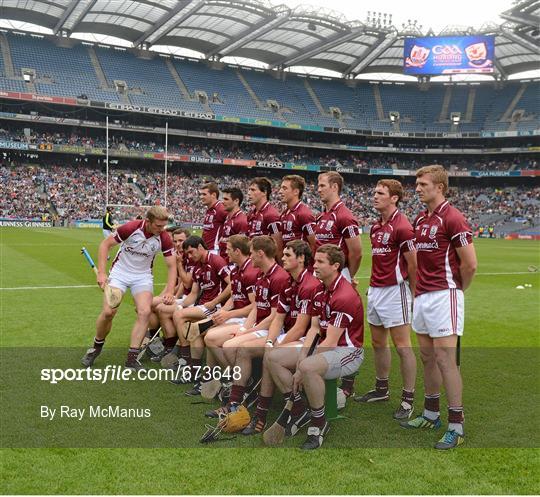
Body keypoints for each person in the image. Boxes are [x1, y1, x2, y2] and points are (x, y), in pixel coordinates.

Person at [401, 165, 477, 451]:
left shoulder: (454, 218)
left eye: (423, 184)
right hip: (421, 296)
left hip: (445, 296)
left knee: (446, 360)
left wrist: (457, 290)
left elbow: (470, 264)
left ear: (440, 187)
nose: (417, 188)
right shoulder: (420, 219)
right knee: (427, 357)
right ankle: (431, 414)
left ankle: (456, 425)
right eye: (416, 183)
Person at [81, 206, 177, 369]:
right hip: (120, 273)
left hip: (142, 277)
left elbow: (172, 265)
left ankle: (131, 358)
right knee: (108, 312)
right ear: (148, 222)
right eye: (158, 226)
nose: (162, 229)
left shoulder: (164, 237)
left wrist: (169, 290)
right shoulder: (131, 228)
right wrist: (102, 273)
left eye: (164, 226)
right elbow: (105, 245)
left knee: (145, 312)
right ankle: (95, 348)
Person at [355, 180, 417, 421]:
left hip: (396, 291)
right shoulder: (375, 226)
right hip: (376, 290)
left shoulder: (403, 226)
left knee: (403, 346)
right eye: (374, 192)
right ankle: (381, 390)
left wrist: (414, 293)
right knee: (379, 343)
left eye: (380, 193)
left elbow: (413, 264)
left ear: (394, 198)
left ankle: (408, 398)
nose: (374, 196)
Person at [244, 240, 320, 435]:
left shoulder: (309, 285)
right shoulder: (289, 281)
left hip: (312, 339)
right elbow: (278, 319)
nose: (282, 258)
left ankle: (292, 409)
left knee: (272, 356)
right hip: (294, 336)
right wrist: (270, 341)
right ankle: (270, 411)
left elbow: (301, 327)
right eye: (283, 255)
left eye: (288, 255)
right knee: (270, 354)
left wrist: (277, 344)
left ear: (301, 258)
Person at [292, 244, 364, 450]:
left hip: (348, 352)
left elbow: (331, 342)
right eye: (314, 260)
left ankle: (319, 422)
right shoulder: (319, 288)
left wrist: (303, 365)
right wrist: (301, 358)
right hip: (327, 347)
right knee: (274, 358)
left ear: (335, 266)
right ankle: (302, 409)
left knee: (307, 368)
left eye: (320, 262)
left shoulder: (344, 295)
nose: (314, 265)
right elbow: (314, 329)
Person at [215, 236, 289, 414]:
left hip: (275, 331)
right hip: (261, 326)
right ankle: (244, 388)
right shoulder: (262, 274)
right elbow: (257, 308)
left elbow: (274, 317)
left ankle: (242, 392)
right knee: (230, 345)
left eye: (253, 253)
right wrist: (244, 329)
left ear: (261, 253)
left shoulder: (278, 277)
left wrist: (250, 331)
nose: (250, 257)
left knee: (233, 347)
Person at [172, 235, 231, 395]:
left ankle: (184, 360)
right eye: (188, 254)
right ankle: (195, 375)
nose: (190, 257)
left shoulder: (216, 260)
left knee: (179, 317)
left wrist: (215, 302)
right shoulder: (197, 266)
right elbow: (193, 293)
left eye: (191, 252)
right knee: (192, 331)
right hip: (204, 306)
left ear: (200, 247)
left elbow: (232, 284)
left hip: (215, 306)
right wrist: (178, 304)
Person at [204, 234, 260, 369]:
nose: (225, 252)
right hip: (239, 317)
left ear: (237, 251)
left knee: (210, 337)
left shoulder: (251, 272)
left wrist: (229, 315)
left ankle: (233, 375)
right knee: (207, 329)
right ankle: (211, 374)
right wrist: (221, 312)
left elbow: (255, 306)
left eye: (228, 249)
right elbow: (234, 297)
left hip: (249, 320)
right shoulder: (236, 270)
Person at [313, 172, 362, 282]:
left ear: (334, 187)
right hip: (319, 274)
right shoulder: (321, 216)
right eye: (318, 186)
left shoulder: (344, 216)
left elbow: (356, 253)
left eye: (322, 186)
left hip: (336, 275)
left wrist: (347, 276)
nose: (319, 190)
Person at [274, 175, 316, 261]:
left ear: (296, 191)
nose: (280, 191)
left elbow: (314, 243)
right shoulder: (284, 214)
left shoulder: (304, 214)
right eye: (281, 188)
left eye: (284, 188)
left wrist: (305, 265)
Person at [219, 187, 249, 263]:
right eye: (223, 199)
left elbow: (242, 249)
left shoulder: (241, 221)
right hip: (223, 261)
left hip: (232, 265)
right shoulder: (228, 218)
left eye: (226, 199)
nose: (222, 202)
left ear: (236, 201)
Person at [200, 182, 227, 254]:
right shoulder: (209, 210)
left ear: (213, 195)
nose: (201, 197)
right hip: (207, 250)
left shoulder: (221, 209)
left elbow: (233, 223)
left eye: (204, 194)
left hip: (215, 250)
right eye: (201, 194)